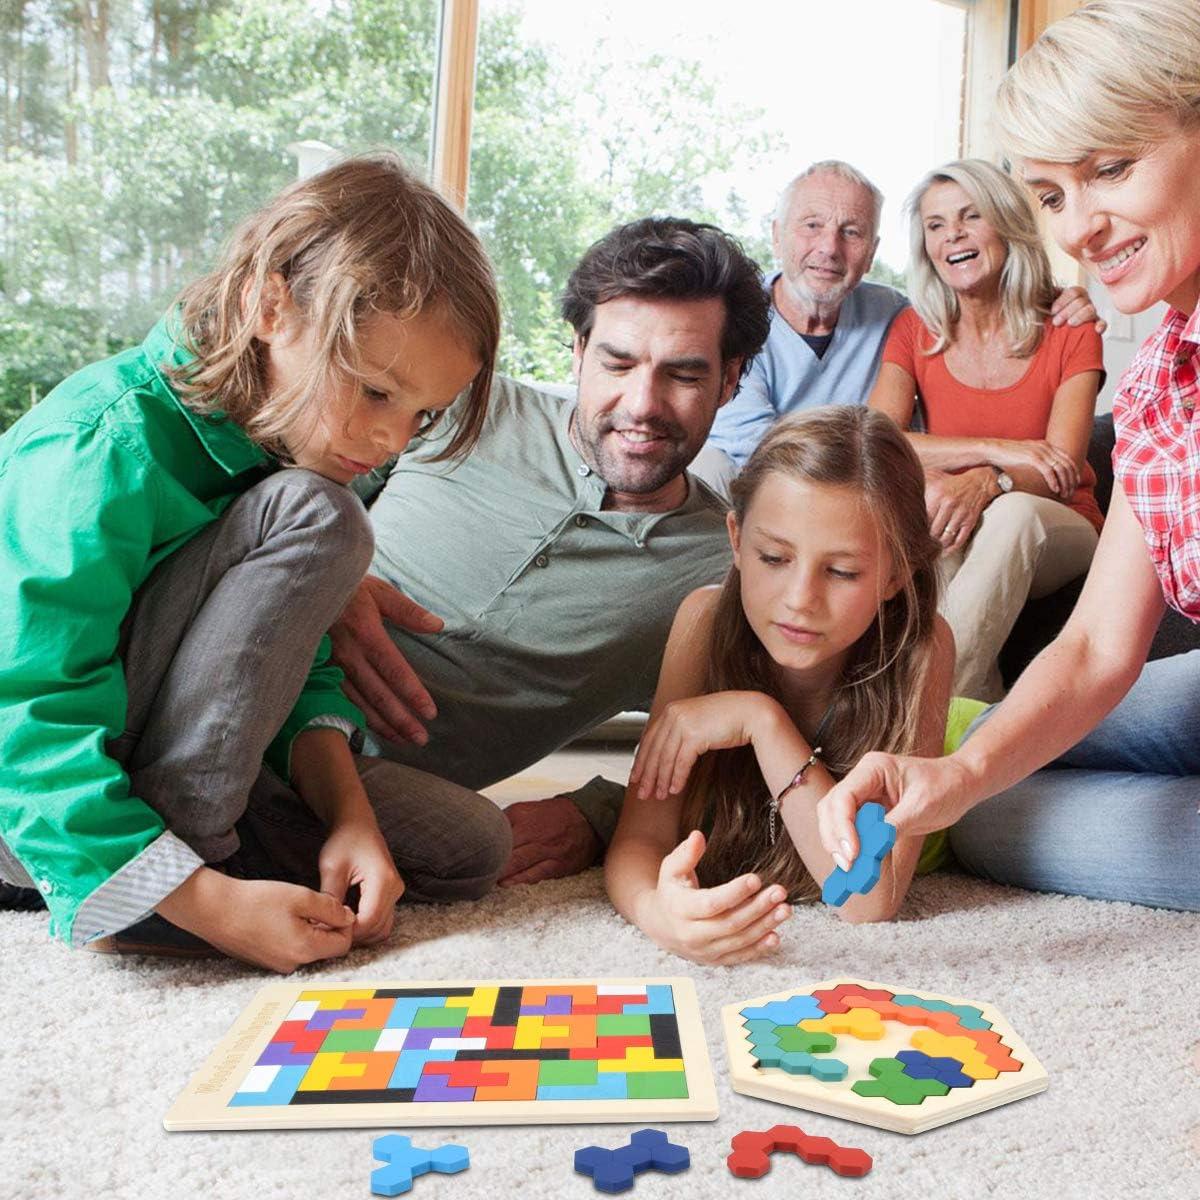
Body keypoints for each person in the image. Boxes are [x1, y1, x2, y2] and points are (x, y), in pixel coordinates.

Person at [0, 154, 508, 972]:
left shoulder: (290, 437)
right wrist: (212, 906)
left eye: (423, 414)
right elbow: (26, 711)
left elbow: (282, 667)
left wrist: (350, 818)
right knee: (322, 515)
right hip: (33, 788)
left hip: (174, 757)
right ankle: (173, 881)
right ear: (270, 306)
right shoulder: (99, 442)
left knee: (469, 846)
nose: (391, 440)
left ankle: (175, 868)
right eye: (377, 391)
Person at [817, 0, 1200, 913]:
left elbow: (1058, 465)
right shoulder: (1157, 386)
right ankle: (922, 729)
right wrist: (958, 775)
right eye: (1054, 196)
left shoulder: (1075, 339)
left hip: (1043, 514)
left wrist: (995, 471)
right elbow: (1096, 647)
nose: (1079, 230)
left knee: (994, 809)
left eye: (1111, 168)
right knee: (975, 808)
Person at [329, 217, 770, 887]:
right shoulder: (462, 401)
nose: (642, 405)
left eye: (683, 375)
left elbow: (765, 763)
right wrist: (326, 583)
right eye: (618, 363)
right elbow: (293, 487)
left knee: (477, 845)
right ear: (579, 352)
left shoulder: (718, 568)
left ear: (730, 380)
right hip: (267, 664)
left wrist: (600, 816)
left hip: (368, 787)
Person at [604, 406, 975, 966]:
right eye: (774, 557)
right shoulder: (703, 623)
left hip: (972, 744)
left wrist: (762, 721)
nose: (800, 599)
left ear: (895, 575)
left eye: (842, 572)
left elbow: (868, 900)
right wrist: (657, 911)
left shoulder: (922, 648)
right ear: (736, 539)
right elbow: (640, 837)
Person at [694, 160, 1100, 494]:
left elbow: (979, 296)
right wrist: (994, 452)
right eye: (812, 225)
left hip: (868, 494)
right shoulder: (733, 319)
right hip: (771, 481)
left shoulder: (895, 315)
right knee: (708, 467)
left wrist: (1059, 297)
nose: (829, 248)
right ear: (777, 235)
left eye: (851, 232)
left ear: (871, 252)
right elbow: (760, 448)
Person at [869, 159, 1104, 701]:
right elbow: (878, 441)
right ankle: (975, 707)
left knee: (1011, 515)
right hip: (961, 514)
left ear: (1005, 224)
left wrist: (988, 480)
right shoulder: (915, 329)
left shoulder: (1070, 327)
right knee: (933, 515)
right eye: (935, 224)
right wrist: (994, 451)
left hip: (1059, 523)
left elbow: (1062, 469)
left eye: (970, 216)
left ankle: (924, 705)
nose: (952, 234)